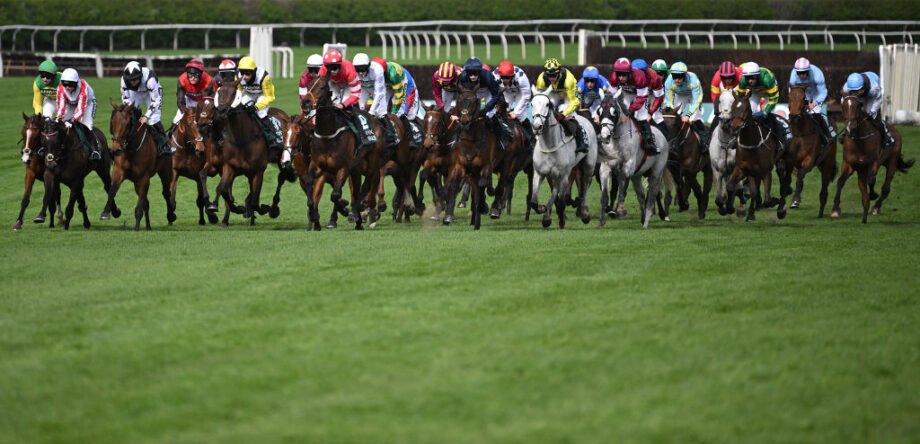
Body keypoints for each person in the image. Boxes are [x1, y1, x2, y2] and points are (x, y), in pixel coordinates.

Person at [317, 49, 377, 147]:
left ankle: (362, 136)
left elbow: (356, 94)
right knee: (330, 105)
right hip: (333, 84)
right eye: (329, 68)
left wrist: (343, 104)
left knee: (345, 107)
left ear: (340, 65)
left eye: (335, 67)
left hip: (348, 85)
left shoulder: (349, 70)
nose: (332, 71)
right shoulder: (323, 70)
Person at [533, 58, 588, 153]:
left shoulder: (568, 80)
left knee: (568, 114)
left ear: (559, 73)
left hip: (567, 95)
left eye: (554, 75)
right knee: (544, 112)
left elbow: (574, 102)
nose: (551, 78)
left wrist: (563, 114)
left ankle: (581, 141)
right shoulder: (541, 79)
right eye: (549, 76)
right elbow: (539, 99)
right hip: (553, 93)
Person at [736, 62, 791, 152]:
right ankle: (738, 139)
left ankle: (779, 141)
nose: (750, 81)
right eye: (748, 78)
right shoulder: (743, 81)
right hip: (755, 92)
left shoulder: (767, 79)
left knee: (768, 116)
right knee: (746, 114)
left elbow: (773, 99)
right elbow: (740, 98)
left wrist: (765, 112)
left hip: (768, 93)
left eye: (752, 77)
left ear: (757, 76)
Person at [457, 57, 510, 149]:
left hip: (488, 93)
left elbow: (496, 95)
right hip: (473, 94)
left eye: (475, 74)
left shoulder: (487, 76)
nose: (472, 76)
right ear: (466, 73)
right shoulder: (462, 77)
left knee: (490, 115)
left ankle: (500, 139)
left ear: (480, 71)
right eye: (470, 74)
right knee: (465, 115)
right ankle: (457, 138)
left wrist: (487, 108)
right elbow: (461, 96)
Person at [232, 56, 283, 152]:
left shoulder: (264, 77)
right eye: (242, 73)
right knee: (242, 110)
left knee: (261, 113)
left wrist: (256, 107)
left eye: (247, 73)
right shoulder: (238, 76)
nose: (244, 77)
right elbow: (238, 92)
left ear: (254, 71)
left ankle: (273, 137)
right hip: (248, 93)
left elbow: (270, 97)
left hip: (262, 94)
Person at [609, 57, 657, 154]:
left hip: (639, 95)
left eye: (623, 75)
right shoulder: (614, 78)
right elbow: (612, 96)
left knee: (641, 115)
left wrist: (632, 109)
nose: (620, 78)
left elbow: (642, 97)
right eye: (619, 74)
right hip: (625, 93)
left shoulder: (639, 77)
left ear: (630, 73)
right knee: (616, 113)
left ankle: (649, 140)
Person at [121, 61, 169, 156]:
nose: (133, 82)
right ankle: (125, 141)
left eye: (135, 79)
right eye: (131, 80)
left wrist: (146, 116)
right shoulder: (124, 81)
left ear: (140, 75)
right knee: (130, 115)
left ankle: (165, 144)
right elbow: (126, 99)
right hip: (135, 93)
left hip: (151, 93)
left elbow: (155, 101)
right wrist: (134, 111)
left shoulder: (150, 79)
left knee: (154, 118)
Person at [788, 57, 837, 145]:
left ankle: (827, 136)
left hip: (816, 93)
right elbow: (792, 92)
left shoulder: (817, 74)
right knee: (796, 113)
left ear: (808, 71)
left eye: (803, 73)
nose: (801, 75)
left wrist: (815, 103)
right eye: (799, 73)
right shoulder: (793, 76)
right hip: (803, 93)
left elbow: (823, 92)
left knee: (816, 113)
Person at [56, 68, 101, 160]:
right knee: (59, 123)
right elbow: (61, 105)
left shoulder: (83, 88)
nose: (67, 87)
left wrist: (71, 120)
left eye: (70, 85)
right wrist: (60, 116)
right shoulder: (60, 88)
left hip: (88, 103)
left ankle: (95, 150)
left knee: (86, 126)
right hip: (70, 103)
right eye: (65, 84)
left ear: (76, 83)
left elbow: (80, 109)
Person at [841, 70, 894, 148]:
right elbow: (844, 101)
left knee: (870, 115)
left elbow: (878, 100)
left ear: (863, 87)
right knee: (852, 116)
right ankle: (847, 133)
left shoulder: (874, 88)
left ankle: (886, 136)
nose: (856, 93)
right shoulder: (846, 88)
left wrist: (872, 111)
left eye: (857, 91)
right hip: (863, 90)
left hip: (871, 97)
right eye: (853, 91)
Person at [354, 54, 398, 145]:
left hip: (376, 89)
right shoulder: (353, 71)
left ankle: (392, 136)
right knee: (359, 110)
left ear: (369, 66)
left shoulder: (377, 69)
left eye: (363, 69)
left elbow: (379, 93)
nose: (361, 73)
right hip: (363, 88)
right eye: (358, 70)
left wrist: (372, 112)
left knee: (381, 112)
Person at [663, 61, 708, 148]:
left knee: (695, 118)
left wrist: (688, 115)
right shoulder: (668, 82)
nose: (677, 80)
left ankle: (704, 142)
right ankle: (671, 140)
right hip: (680, 96)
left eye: (679, 77)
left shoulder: (693, 80)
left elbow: (697, 100)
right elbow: (669, 102)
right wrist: (673, 113)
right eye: (674, 76)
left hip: (693, 96)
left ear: (684, 75)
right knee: (673, 117)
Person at [379, 58, 423, 147]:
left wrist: (395, 113)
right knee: (379, 109)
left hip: (403, 81)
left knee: (405, 113)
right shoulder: (373, 72)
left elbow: (399, 97)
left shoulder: (393, 74)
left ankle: (412, 139)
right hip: (388, 82)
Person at [493, 60, 534, 147]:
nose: (505, 80)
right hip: (507, 91)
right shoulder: (494, 76)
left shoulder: (521, 78)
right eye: (503, 77)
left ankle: (531, 139)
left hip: (520, 92)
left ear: (513, 75)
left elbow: (526, 96)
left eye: (508, 77)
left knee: (520, 116)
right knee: (501, 113)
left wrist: (516, 112)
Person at [171, 58, 215, 131]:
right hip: (188, 100)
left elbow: (208, 103)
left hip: (202, 101)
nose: (192, 78)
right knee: (176, 120)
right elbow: (180, 101)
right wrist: (186, 111)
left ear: (200, 75)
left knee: (209, 120)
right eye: (190, 76)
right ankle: (171, 136)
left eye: (195, 76)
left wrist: (198, 112)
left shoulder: (207, 81)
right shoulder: (182, 80)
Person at [632, 59, 665, 129]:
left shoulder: (654, 77)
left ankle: (665, 135)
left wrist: (650, 113)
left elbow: (659, 97)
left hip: (653, 95)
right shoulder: (629, 77)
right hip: (639, 95)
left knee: (655, 116)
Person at [709, 61, 742, 131]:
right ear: (721, 76)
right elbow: (715, 98)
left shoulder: (740, 77)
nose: (727, 80)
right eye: (724, 78)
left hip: (737, 97)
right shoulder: (716, 79)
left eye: (730, 77)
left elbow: (742, 99)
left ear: (734, 75)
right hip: (724, 100)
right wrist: (720, 112)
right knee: (716, 120)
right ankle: (709, 138)